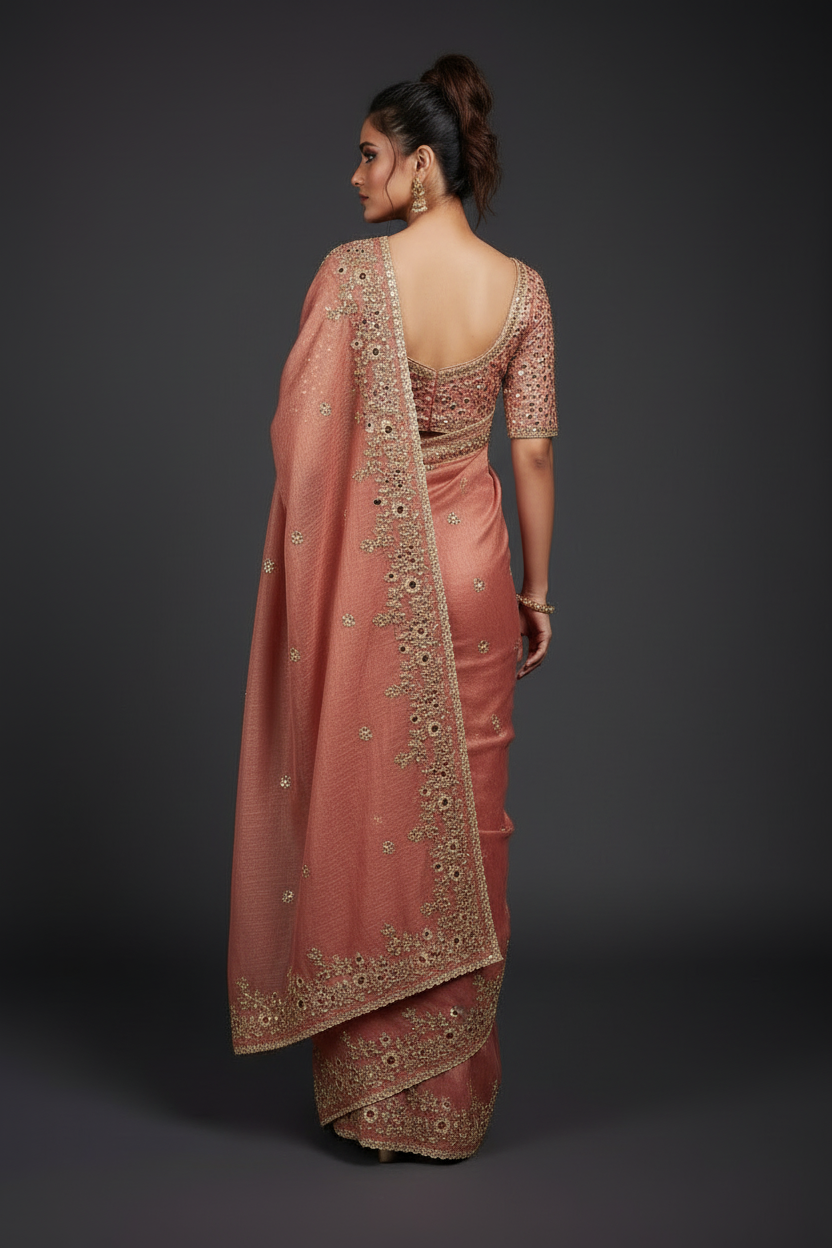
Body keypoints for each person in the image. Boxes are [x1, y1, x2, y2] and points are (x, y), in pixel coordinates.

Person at [228, 53, 557, 1162]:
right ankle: (448, 1108)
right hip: (477, 571)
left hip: (378, 574)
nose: (354, 174)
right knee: (471, 823)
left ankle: (378, 1107)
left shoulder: (352, 277)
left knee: (379, 812)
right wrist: (537, 591)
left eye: (369, 155)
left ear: (422, 165)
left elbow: (303, 445)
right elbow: (534, 452)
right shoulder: (523, 290)